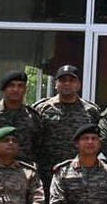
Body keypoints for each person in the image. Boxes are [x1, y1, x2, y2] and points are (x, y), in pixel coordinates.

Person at [33, 65, 101, 193]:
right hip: (47, 172)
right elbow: (33, 138)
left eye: (71, 80)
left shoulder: (91, 110)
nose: (67, 84)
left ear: (79, 84)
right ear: (55, 84)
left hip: (80, 172)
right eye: (62, 80)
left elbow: (98, 140)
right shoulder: (42, 108)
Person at [0, 70, 44, 166]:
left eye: (20, 86)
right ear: (4, 88)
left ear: (25, 90)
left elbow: (38, 146)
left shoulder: (33, 116)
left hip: (23, 171)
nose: (15, 89)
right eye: (11, 85)